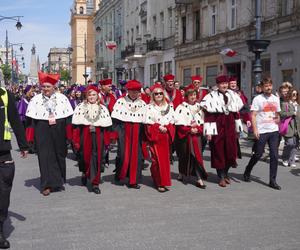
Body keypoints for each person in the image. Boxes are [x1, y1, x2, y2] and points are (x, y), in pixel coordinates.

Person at [26, 72, 73, 196]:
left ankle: (57, 182)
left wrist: (69, 136)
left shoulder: (62, 98)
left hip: (59, 129)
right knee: (44, 157)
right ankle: (46, 185)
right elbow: (30, 122)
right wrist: (29, 139)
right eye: (44, 87)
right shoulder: (35, 100)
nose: (46, 89)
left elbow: (68, 119)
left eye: (48, 87)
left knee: (59, 154)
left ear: (54, 87)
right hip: (42, 129)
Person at [200, 75, 244, 187]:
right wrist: (209, 132)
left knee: (230, 151)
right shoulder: (211, 96)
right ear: (218, 85)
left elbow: (236, 113)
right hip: (217, 126)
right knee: (218, 151)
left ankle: (225, 173)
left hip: (230, 126)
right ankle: (221, 176)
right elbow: (209, 115)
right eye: (222, 84)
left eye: (226, 83)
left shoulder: (233, 95)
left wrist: (238, 129)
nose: (224, 85)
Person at [0, 86, 28, 249]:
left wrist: (23, 144)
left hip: (2, 151)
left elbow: (15, 120)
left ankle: (0, 231)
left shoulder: (5, 95)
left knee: (3, 193)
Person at [72, 85, 112, 194]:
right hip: (84, 135)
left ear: (97, 96)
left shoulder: (103, 108)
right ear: (86, 95)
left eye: (94, 94)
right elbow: (76, 126)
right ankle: (85, 172)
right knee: (85, 157)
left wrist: (108, 140)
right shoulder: (80, 107)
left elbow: (107, 127)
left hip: (99, 135)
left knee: (97, 158)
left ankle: (95, 183)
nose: (91, 97)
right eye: (89, 95)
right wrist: (75, 140)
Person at [243, 77, 282, 190]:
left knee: (274, 155)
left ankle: (272, 180)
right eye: (266, 86)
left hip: (274, 130)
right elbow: (253, 115)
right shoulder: (258, 99)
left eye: (270, 85)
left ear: (272, 86)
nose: (268, 87)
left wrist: (278, 120)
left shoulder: (276, 98)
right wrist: (255, 129)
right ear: (262, 87)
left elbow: (277, 113)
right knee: (258, 154)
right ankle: (248, 170)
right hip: (262, 130)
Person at [111, 80, 146, 189]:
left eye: (136, 91)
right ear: (128, 91)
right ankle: (120, 174)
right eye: (132, 91)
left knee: (137, 156)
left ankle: (133, 180)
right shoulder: (121, 101)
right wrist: (115, 135)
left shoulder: (143, 103)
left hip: (137, 131)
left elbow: (145, 121)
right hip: (123, 130)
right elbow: (115, 120)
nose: (134, 93)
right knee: (122, 154)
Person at [175, 85, 208, 188]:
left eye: (194, 94)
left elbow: (204, 123)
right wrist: (189, 129)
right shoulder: (181, 107)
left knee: (196, 156)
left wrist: (197, 129)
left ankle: (199, 179)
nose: (193, 96)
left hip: (197, 137)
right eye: (190, 95)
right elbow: (179, 125)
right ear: (186, 96)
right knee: (184, 156)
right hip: (185, 137)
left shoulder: (200, 107)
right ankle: (181, 172)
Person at [144, 84, 175, 192]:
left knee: (165, 160)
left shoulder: (169, 106)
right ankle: (158, 181)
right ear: (153, 95)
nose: (158, 95)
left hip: (165, 136)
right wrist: (158, 127)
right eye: (156, 93)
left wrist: (167, 128)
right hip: (155, 136)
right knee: (156, 161)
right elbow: (148, 123)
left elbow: (172, 120)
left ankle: (162, 181)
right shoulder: (149, 107)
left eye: (160, 93)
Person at [280, 86, 300, 167]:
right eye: (293, 94)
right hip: (289, 127)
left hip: (297, 129)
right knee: (289, 144)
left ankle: (291, 161)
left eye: (296, 94)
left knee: (295, 145)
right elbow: (282, 114)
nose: (294, 95)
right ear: (290, 95)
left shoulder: (298, 105)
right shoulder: (285, 104)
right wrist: (292, 113)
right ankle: (285, 158)